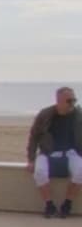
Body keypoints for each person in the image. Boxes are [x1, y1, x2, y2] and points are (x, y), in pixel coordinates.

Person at [26, 86, 82, 218]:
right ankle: (49, 205)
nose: (72, 103)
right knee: (39, 172)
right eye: (69, 100)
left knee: (81, 171)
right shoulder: (45, 115)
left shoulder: (78, 116)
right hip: (47, 152)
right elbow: (34, 137)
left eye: (74, 100)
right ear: (59, 101)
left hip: (71, 152)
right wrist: (31, 159)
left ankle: (67, 204)